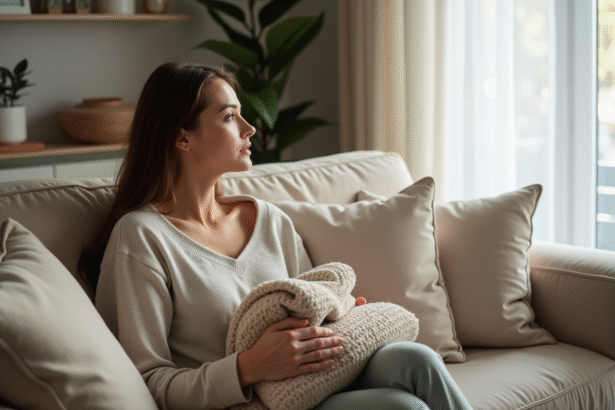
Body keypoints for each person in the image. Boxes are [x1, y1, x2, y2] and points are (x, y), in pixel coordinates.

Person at [80, 62, 473, 410]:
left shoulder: (268, 219)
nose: (250, 129)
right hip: (245, 402)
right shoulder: (141, 238)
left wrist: (338, 310)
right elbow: (146, 384)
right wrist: (248, 368)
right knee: (401, 408)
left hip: (311, 380)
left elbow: (312, 300)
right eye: (230, 117)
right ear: (182, 137)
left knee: (416, 360)